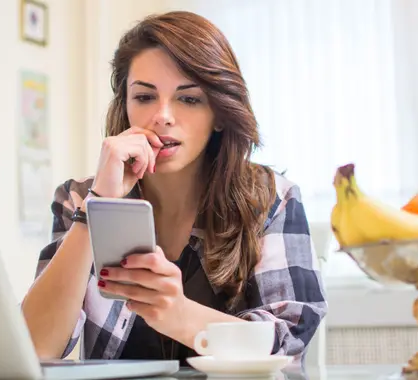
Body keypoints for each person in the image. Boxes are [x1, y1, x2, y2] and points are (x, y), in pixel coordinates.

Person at [20, 10, 327, 366]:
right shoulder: (77, 198)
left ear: (219, 113)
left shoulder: (271, 199)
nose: (163, 115)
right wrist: (96, 205)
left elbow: (288, 343)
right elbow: (34, 349)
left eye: (189, 98)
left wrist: (176, 313)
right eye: (145, 97)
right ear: (125, 105)